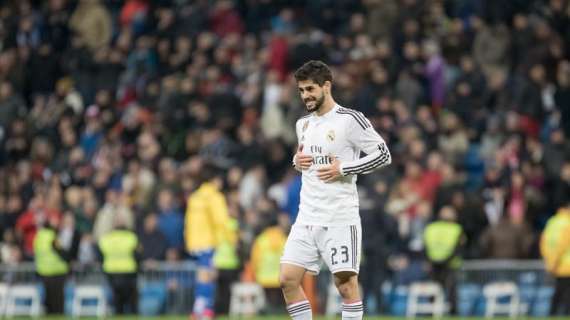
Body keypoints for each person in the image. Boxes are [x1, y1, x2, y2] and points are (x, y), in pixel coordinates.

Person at [280, 60, 392, 320]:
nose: (305, 95)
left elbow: (383, 155)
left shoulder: (349, 119)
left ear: (326, 86)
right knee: (287, 279)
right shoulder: (303, 125)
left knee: (345, 286)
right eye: (301, 90)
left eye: (310, 89)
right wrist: (296, 162)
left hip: (339, 218)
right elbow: (306, 160)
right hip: (307, 217)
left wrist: (344, 168)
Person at [185, 163, 231, 319]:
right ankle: (203, 311)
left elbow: (188, 223)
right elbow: (221, 221)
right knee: (208, 276)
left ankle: (200, 309)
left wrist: (189, 242)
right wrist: (232, 239)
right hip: (209, 242)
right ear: (215, 180)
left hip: (195, 243)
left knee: (202, 276)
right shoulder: (215, 197)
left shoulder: (195, 197)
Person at [423, 206, 465, 315]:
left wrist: (430, 260)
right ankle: (453, 314)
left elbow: (425, 246)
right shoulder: (456, 228)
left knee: (433, 293)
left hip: (433, 264)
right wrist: (446, 260)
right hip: (450, 265)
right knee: (451, 293)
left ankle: (430, 314)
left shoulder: (430, 228)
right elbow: (459, 248)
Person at [98, 218, 140, 315]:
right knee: (132, 302)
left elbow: (100, 256)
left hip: (111, 272)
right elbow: (138, 255)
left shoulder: (106, 238)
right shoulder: (131, 237)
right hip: (128, 272)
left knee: (117, 301)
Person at [33, 216, 69, 314]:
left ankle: (48, 314)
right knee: (57, 300)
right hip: (56, 271)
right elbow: (61, 252)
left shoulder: (38, 236)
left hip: (43, 271)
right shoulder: (52, 236)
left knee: (48, 298)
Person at [540, 198, 570, 315]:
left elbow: (544, 242)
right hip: (566, 264)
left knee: (559, 292)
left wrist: (549, 261)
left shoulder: (552, 222)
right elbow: (561, 244)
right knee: (566, 294)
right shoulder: (567, 223)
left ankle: (552, 314)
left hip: (556, 264)